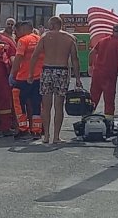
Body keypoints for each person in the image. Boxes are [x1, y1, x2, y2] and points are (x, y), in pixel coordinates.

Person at [29, 16, 81, 144]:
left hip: (47, 70)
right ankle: (56, 136)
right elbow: (75, 59)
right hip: (62, 71)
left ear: (52, 25)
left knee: (46, 106)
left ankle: (46, 135)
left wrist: (30, 73)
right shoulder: (70, 38)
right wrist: (78, 78)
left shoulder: (45, 37)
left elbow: (35, 56)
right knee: (59, 106)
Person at [9, 21, 43, 138]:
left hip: (23, 77)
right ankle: (37, 130)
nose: (15, 34)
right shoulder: (40, 39)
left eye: (16, 31)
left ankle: (23, 128)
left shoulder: (23, 40)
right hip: (39, 77)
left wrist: (12, 75)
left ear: (23, 29)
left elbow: (18, 59)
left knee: (18, 102)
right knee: (36, 104)